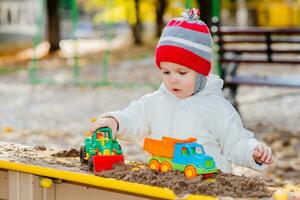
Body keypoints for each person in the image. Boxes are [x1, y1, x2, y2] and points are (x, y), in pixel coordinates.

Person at [90, 8, 273, 173]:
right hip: (162, 179)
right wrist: (115, 121)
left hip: (208, 181)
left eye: (182, 72)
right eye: (166, 72)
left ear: (202, 74)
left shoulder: (217, 107)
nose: (173, 79)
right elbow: (133, 118)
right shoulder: (154, 101)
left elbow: (236, 141)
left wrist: (252, 151)